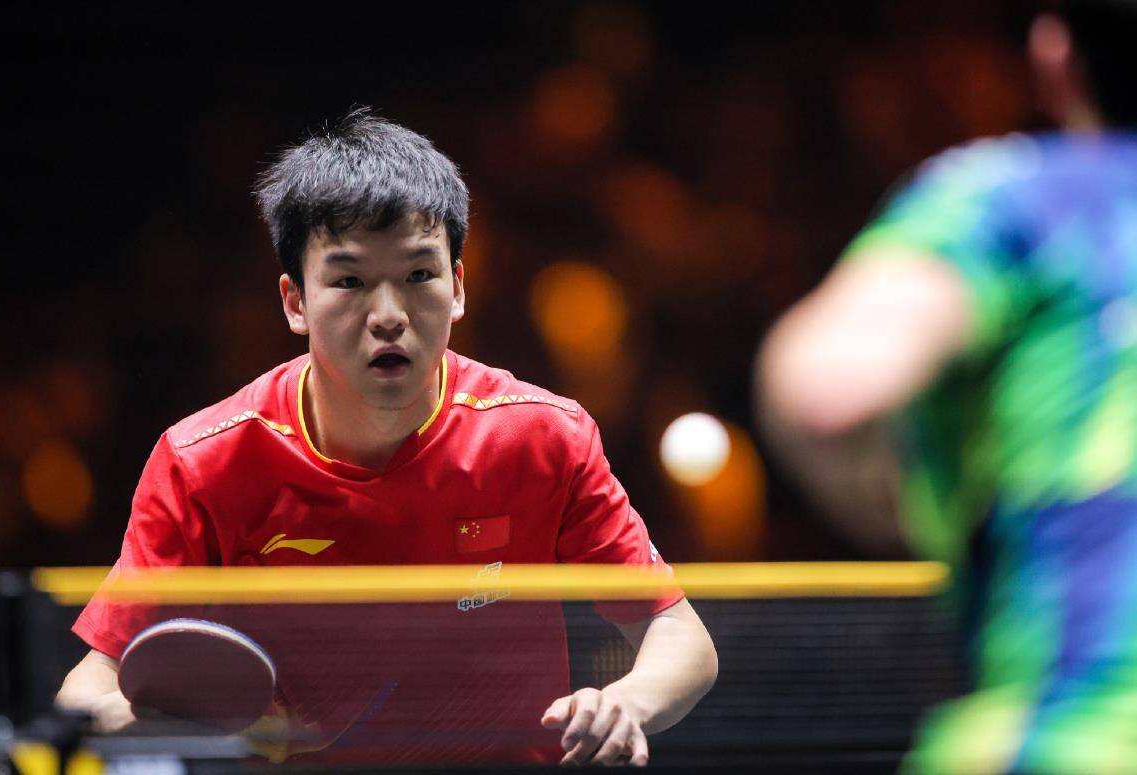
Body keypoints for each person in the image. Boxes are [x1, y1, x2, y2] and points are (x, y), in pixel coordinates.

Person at [55, 108, 717, 766]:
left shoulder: (542, 437)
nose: (389, 315)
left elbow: (679, 634)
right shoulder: (204, 464)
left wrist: (628, 702)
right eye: (349, 281)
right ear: (294, 301)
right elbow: (86, 689)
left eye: (419, 275)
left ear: (458, 288)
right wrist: (176, 721)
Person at [756, 2, 1137, 773]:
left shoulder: (1017, 197)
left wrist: (922, 498)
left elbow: (826, 384)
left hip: (1074, 738)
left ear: (1055, 55)